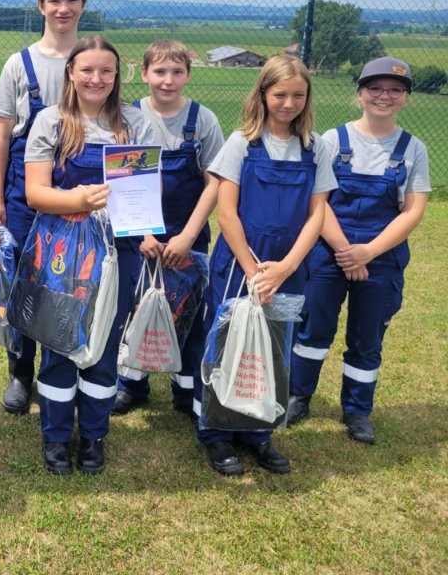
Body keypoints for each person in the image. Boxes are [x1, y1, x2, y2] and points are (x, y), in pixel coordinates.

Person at [195, 54, 336, 476]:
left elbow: (317, 216)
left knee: (274, 349)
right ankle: (216, 433)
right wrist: (254, 270)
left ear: (307, 98)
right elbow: (227, 214)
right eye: (279, 94)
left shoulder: (317, 149)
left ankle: (260, 433)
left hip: (288, 269)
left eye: (298, 95)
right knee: (225, 344)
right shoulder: (242, 143)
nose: (288, 103)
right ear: (262, 94)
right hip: (239, 264)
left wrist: (285, 267)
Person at [24, 34, 158, 475]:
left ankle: (94, 437)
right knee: (61, 341)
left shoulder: (136, 124)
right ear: (71, 73)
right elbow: (36, 193)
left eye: (105, 70)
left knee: (102, 341)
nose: (96, 78)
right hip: (64, 250)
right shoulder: (51, 122)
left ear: (117, 76)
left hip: (119, 252)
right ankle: (56, 437)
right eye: (87, 69)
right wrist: (78, 200)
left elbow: (145, 193)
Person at [287, 57, 430, 445]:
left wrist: (368, 251)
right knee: (313, 328)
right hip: (329, 251)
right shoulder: (333, 140)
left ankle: (357, 411)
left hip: (381, 256)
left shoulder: (413, 148)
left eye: (395, 90)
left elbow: (413, 210)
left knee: (367, 338)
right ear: (360, 93)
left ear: (406, 98)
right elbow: (319, 202)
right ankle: (299, 395)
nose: (384, 96)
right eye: (375, 88)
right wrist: (344, 249)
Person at [0, 0, 94, 416]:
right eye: (54, 0)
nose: (63, 8)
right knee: (22, 279)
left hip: (79, 194)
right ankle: (19, 371)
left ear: (82, 4)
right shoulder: (20, 64)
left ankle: (67, 363)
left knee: (72, 281)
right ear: (41, 5)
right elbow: (1, 137)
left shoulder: (94, 61)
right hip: (24, 191)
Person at [113, 40, 224, 417]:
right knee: (135, 306)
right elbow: (124, 180)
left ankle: (186, 386)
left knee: (189, 313)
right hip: (138, 236)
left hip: (187, 234)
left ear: (188, 75)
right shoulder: (128, 118)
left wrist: (187, 237)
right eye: (159, 72)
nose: (168, 80)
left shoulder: (202, 121)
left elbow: (215, 183)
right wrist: (143, 234)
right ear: (143, 74)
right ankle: (132, 381)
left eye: (177, 72)